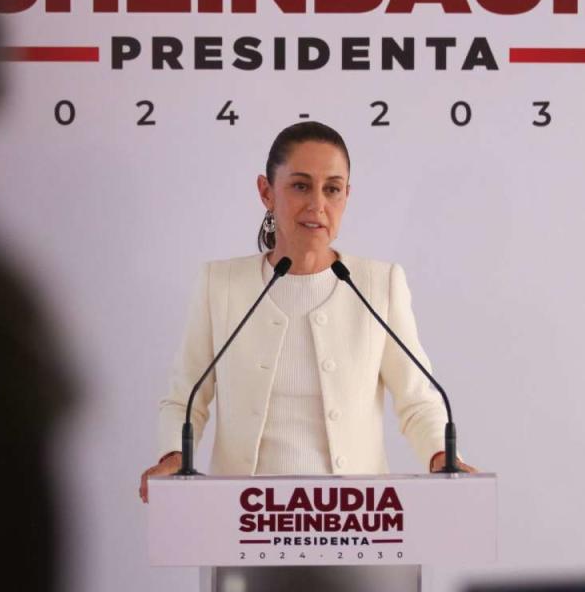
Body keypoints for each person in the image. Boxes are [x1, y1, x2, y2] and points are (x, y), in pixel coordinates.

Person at [139, 121, 475, 502]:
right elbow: (186, 396)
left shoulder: (380, 284)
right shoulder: (221, 284)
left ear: (346, 196)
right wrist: (173, 454)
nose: (318, 204)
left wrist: (441, 457)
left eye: (332, 189)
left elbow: (418, 401)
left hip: (357, 519)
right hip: (244, 519)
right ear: (266, 192)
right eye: (300, 185)